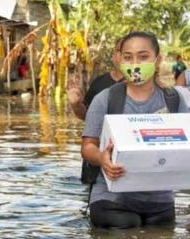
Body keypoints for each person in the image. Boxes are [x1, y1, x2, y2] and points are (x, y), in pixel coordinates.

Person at [81, 31, 190, 229]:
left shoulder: (175, 100)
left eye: (143, 56)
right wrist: (102, 159)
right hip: (111, 200)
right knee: (126, 225)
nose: (135, 63)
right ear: (119, 59)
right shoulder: (105, 99)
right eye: (128, 57)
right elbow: (88, 145)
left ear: (157, 60)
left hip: (161, 203)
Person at [67, 38, 124, 121]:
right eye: (119, 51)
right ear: (113, 55)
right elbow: (87, 116)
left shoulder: (146, 85)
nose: (122, 55)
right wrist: (76, 104)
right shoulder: (99, 82)